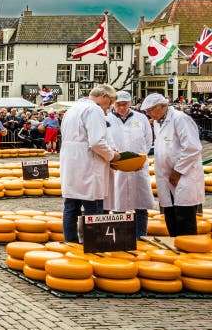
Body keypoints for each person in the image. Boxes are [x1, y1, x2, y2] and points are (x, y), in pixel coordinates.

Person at [59, 84, 121, 242]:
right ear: (105, 97)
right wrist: (112, 156)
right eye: (111, 102)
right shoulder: (94, 110)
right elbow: (96, 142)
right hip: (88, 166)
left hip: (71, 165)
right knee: (93, 208)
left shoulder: (72, 109)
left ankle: (70, 244)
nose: (109, 108)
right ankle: (93, 246)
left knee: (71, 207)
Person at [141, 93, 204, 236]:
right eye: (147, 111)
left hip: (184, 175)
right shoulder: (158, 122)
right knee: (170, 215)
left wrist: (178, 171)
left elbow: (192, 148)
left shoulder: (180, 119)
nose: (149, 114)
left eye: (151, 110)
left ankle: (188, 252)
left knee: (184, 216)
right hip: (166, 176)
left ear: (163, 106)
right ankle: (174, 244)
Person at [104, 91, 154, 238]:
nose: (121, 107)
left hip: (138, 166)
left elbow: (148, 140)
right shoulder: (107, 119)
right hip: (117, 166)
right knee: (117, 203)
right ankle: (119, 236)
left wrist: (141, 157)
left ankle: (141, 235)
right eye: (118, 104)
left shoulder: (141, 118)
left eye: (124, 104)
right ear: (114, 104)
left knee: (141, 203)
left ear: (130, 103)